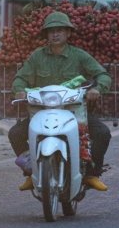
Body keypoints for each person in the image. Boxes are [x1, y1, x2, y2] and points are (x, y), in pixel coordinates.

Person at [9, 11, 112, 192]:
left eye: (60, 30)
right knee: (15, 133)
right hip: (41, 113)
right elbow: (20, 78)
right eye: (51, 31)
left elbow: (102, 75)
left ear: (68, 33)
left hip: (74, 113)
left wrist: (97, 89)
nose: (55, 34)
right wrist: (18, 89)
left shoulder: (79, 56)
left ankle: (92, 174)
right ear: (47, 35)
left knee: (103, 133)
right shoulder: (37, 57)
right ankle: (31, 172)